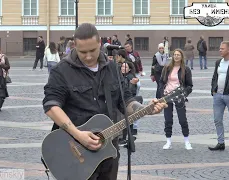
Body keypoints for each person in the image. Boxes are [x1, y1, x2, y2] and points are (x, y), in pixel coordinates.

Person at [42, 23, 167, 180]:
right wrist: (78, 135)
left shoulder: (113, 68)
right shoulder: (62, 71)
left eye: (92, 50)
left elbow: (126, 101)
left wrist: (146, 109)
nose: (88, 56)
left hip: (108, 150)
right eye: (82, 52)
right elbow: (51, 106)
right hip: (75, 151)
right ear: (75, 46)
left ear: (99, 43)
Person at [208, 41, 229, 152]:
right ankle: (220, 143)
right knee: (217, 120)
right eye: (220, 48)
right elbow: (214, 77)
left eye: (222, 48)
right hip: (218, 96)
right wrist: (213, 90)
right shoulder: (218, 62)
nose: (220, 50)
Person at [159, 49, 193, 150]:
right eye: (174, 54)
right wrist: (162, 93)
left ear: (182, 56)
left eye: (178, 55)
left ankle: (187, 141)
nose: (176, 56)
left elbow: (189, 85)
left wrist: (184, 94)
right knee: (168, 119)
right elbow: (161, 81)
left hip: (179, 96)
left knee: (182, 119)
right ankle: (168, 141)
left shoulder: (185, 69)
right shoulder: (167, 68)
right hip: (167, 96)